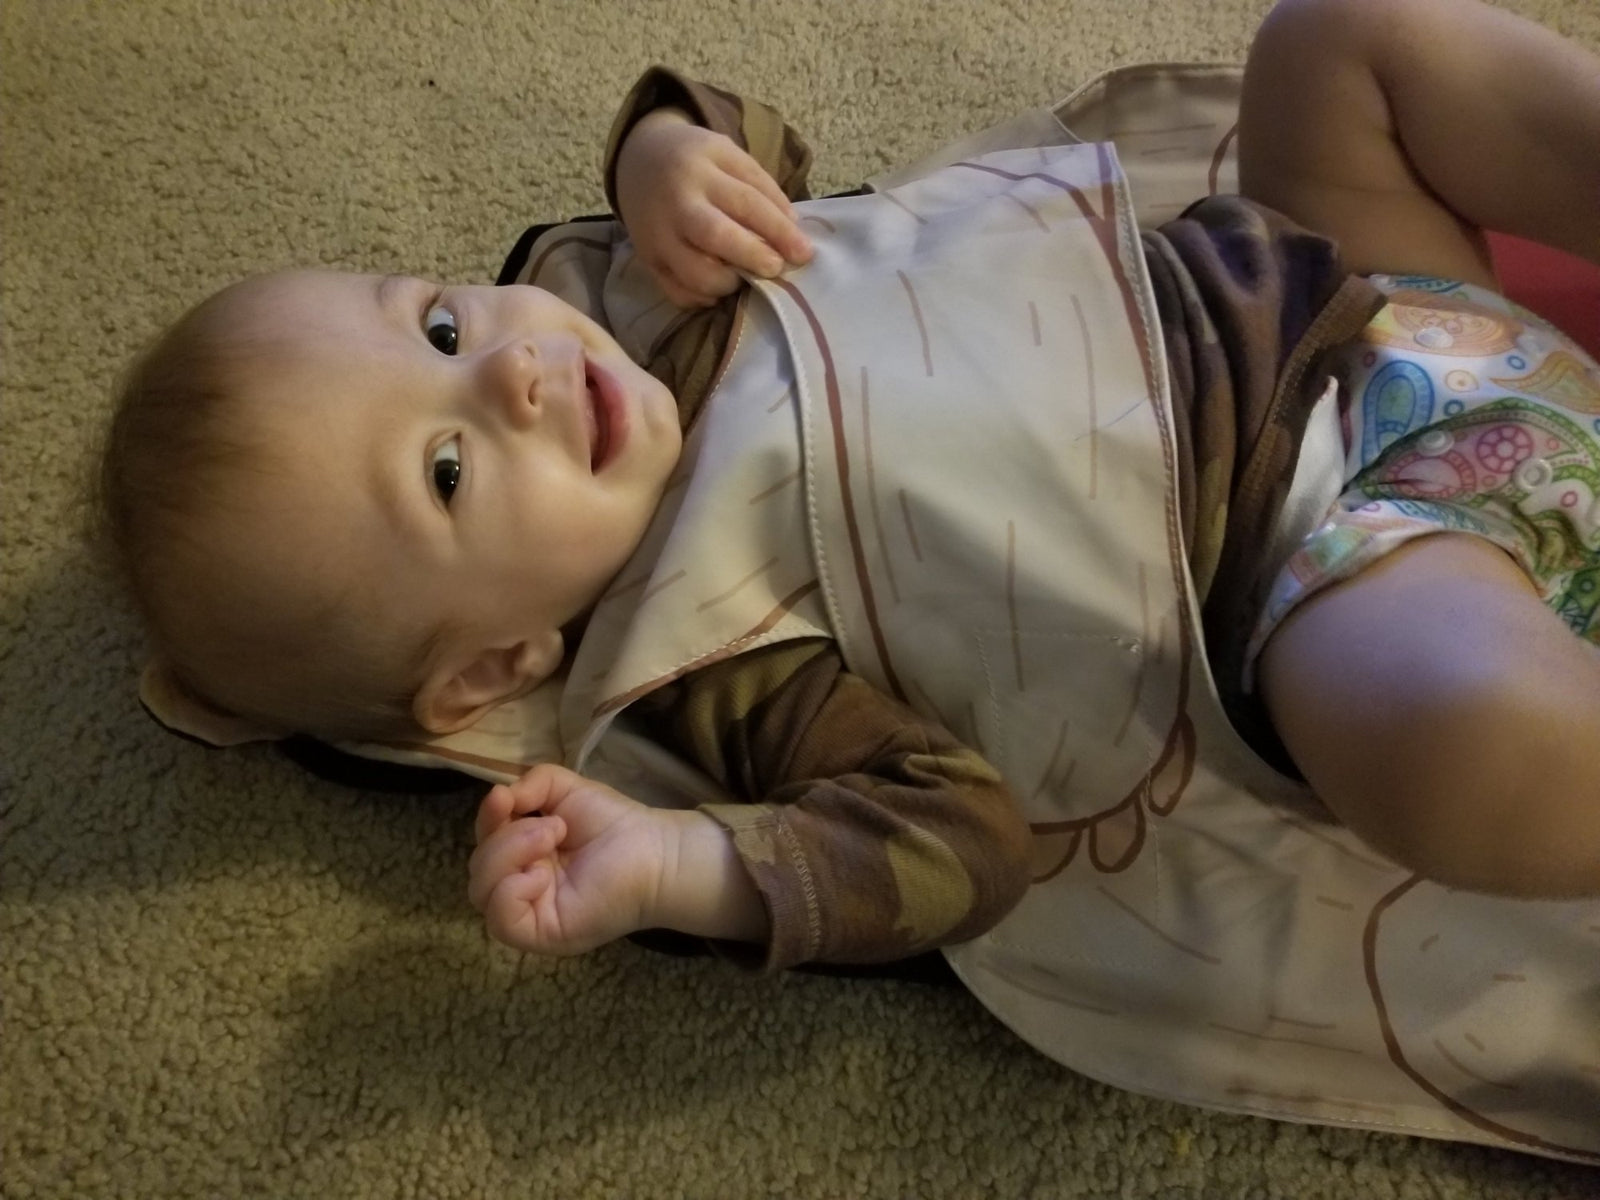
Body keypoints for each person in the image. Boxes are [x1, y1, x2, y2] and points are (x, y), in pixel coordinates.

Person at [98, 0, 1600, 972]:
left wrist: (665, 155)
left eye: (437, 326)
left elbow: (766, 155)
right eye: (445, 471)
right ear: (492, 665)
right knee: (1454, 751)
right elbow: (959, 844)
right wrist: (690, 863)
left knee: (1336, 41)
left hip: (1339, 285)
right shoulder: (722, 668)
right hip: (1344, 549)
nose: (509, 376)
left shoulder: (648, 290)